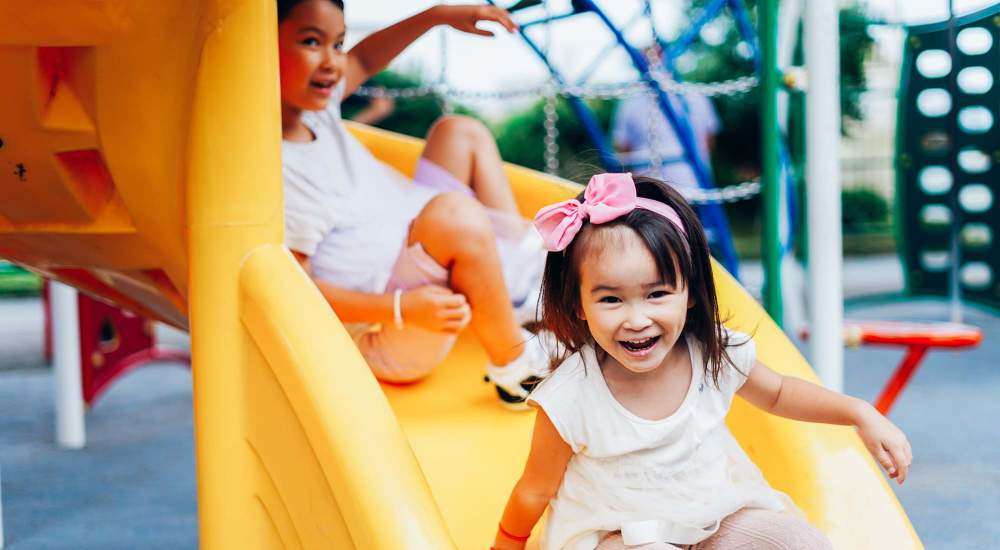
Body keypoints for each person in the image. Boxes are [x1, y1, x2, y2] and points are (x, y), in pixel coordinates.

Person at [492, 173, 913, 549]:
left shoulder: (711, 354)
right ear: (578, 305)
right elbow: (534, 489)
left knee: (797, 542)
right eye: (611, 300)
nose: (637, 319)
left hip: (714, 519)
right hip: (617, 536)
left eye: (657, 294)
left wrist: (859, 413)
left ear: (690, 292)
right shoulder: (571, 397)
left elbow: (780, 393)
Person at [277, 0, 549, 407]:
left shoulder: (316, 110)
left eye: (338, 44)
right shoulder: (280, 169)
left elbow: (364, 60)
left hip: (412, 237)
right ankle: (516, 368)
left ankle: (519, 280)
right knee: (455, 215)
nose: (333, 62)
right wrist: (401, 307)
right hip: (392, 325)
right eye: (312, 42)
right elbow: (296, 290)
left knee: (459, 132)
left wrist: (437, 16)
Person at [611, 49, 719, 193]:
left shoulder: (694, 96)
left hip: (689, 185)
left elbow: (709, 140)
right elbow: (623, 149)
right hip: (655, 188)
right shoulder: (630, 103)